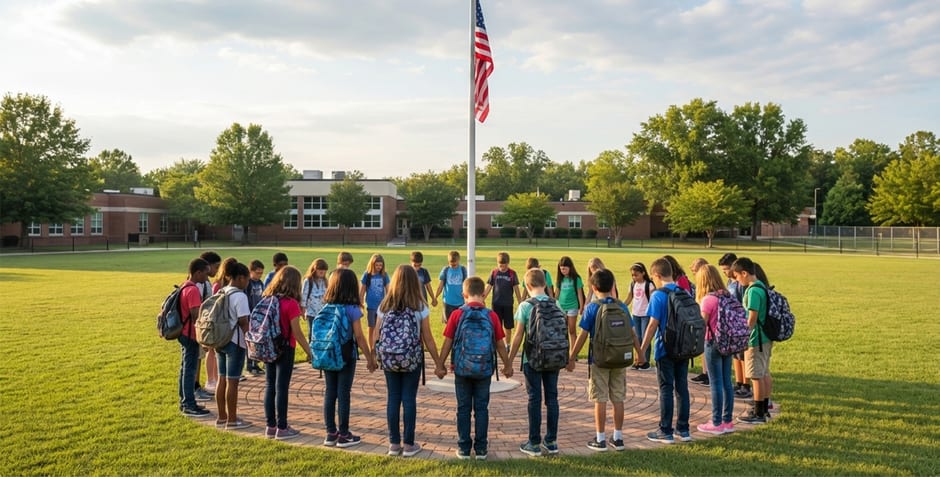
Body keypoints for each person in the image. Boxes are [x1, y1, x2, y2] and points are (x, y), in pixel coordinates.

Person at [373, 265, 445, 457]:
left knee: (393, 397)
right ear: (415, 282)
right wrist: (438, 363)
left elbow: (376, 332)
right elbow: (428, 337)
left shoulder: (384, 304)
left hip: (389, 357)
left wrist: (374, 355)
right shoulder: (420, 306)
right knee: (408, 398)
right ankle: (409, 444)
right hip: (411, 358)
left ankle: (394, 444)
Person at [439, 276, 513, 460]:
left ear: (464, 294)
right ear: (483, 294)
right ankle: (481, 448)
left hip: (462, 368)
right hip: (484, 368)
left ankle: (464, 448)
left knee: (463, 408)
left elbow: (448, 342)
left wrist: (440, 364)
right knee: (482, 408)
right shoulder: (492, 315)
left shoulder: (457, 314)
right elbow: (500, 344)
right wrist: (507, 365)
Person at [566, 268, 630, 451]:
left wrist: (572, 357)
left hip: (599, 360)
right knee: (618, 398)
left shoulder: (592, 308)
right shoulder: (622, 306)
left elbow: (582, 335)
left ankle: (600, 439)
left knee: (600, 399)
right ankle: (618, 438)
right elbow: (632, 333)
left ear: (593, 287)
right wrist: (640, 353)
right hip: (619, 358)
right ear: (612, 286)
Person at [637, 257, 692, 444]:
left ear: (657, 275)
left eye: (653, 277)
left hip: (665, 348)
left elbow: (652, 325)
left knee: (666, 388)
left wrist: (642, 350)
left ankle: (665, 430)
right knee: (682, 387)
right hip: (684, 347)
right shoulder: (684, 292)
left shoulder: (658, 295)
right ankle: (683, 429)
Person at [509, 269, 562, 457]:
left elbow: (517, 336)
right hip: (554, 358)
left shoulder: (525, 306)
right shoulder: (557, 304)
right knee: (552, 398)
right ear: (545, 284)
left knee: (534, 399)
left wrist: (509, 361)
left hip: (532, 359)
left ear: (527, 286)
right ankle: (552, 441)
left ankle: (533, 442)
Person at [322, 268, 377, 448]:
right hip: (346, 355)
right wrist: (370, 358)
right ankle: (344, 434)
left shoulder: (326, 306)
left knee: (330, 392)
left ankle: (330, 433)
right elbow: (359, 337)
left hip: (328, 354)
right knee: (343, 393)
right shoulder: (352, 309)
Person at [261, 266, 313, 440]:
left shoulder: (268, 298)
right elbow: (297, 332)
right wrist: (309, 351)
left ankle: (270, 425)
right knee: (281, 387)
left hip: (268, 346)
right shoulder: (291, 304)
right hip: (285, 348)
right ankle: (282, 427)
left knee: (270, 385)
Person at [695, 264, 735, 435]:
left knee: (715, 383)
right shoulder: (728, 296)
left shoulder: (708, 300)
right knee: (727, 381)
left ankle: (716, 422)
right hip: (728, 342)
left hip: (713, 342)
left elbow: (701, 324)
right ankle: (727, 420)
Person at [733, 257, 773, 425]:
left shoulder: (753, 291)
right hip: (764, 338)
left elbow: (752, 317)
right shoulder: (761, 286)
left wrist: (744, 335)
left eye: (736, 276)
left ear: (744, 273)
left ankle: (758, 413)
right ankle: (763, 408)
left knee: (755, 375)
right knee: (762, 372)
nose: (736, 280)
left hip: (756, 339)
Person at [214, 262, 252, 430]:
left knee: (221, 379)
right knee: (233, 381)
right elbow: (244, 321)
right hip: (235, 342)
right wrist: (250, 343)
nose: (248, 283)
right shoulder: (240, 296)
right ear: (241, 277)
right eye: (247, 279)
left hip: (220, 340)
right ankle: (233, 420)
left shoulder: (221, 291)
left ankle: (222, 416)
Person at [178, 257, 211, 417]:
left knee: (185, 368)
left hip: (183, 333)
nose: (207, 277)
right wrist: (202, 339)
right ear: (197, 273)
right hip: (190, 335)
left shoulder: (185, 285)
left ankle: (184, 401)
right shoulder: (193, 291)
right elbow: (196, 317)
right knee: (190, 370)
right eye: (205, 274)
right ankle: (189, 404)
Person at [718, 253, 749, 399]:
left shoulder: (740, 283)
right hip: (731, 324)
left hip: (740, 323)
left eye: (726, 269)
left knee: (743, 356)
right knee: (735, 355)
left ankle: (746, 385)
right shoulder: (730, 282)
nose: (724, 272)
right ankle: (739, 381)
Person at [196, 251, 222, 401]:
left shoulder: (204, 282)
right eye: (216, 266)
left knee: (199, 357)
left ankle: (198, 386)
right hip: (199, 327)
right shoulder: (202, 283)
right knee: (196, 358)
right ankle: (195, 387)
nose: (217, 270)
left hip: (201, 327)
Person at [483, 251, 523, 349]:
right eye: (500, 265)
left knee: (508, 326)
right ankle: (496, 344)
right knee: (496, 325)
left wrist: (520, 302)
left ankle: (507, 344)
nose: (502, 267)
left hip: (508, 304)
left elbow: (516, 288)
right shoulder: (494, 272)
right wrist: (482, 298)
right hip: (496, 304)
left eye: (504, 266)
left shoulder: (512, 273)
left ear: (508, 263)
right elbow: (489, 286)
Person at [625, 262, 654, 371]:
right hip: (635, 314)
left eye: (636, 275)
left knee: (645, 337)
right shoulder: (633, 284)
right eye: (632, 275)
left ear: (643, 273)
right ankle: (638, 360)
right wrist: (621, 306)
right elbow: (629, 298)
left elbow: (652, 301)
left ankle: (644, 361)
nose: (634, 277)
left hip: (645, 315)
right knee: (637, 338)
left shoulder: (649, 285)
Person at [554, 256, 585, 352]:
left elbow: (580, 294)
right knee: (561, 330)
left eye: (565, 268)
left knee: (571, 330)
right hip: (561, 307)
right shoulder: (560, 279)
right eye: (561, 269)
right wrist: (554, 305)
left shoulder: (576, 279)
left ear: (570, 268)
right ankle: (563, 351)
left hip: (572, 306)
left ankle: (573, 351)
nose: (563, 270)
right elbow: (557, 293)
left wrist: (581, 307)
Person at [688, 257, 709, 387]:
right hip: (701, 319)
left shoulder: (707, 286)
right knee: (703, 347)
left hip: (707, 321)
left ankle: (708, 374)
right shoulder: (699, 285)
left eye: (695, 271)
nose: (694, 274)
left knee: (707, 347)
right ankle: (704, 371)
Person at [360, 253, 390, 345]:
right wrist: (360, 302)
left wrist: (389, 303)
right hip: (371, 306)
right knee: (371, 327)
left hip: (381, 307)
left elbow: (389, 290)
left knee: (381, 327)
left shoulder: (384, 275)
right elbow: (362, 290)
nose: (379, 267)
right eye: (376, 265)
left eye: (380, 265)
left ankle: (379, 346)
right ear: (372, 264)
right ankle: (371, 347)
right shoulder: (367, 275)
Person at [244, 259, 266, 376]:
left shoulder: (260, 283)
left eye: (261, 273)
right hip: (249, 316)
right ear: (250, 271)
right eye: (257, 273)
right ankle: (250, 365)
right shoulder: (248, 284)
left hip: (258, 317)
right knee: (250, 341)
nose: (259, 275)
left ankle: (255, 363)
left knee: (257, 341)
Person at [435, 250, 468, 324]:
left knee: (460, 324)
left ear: (458, 260)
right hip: (448, 302)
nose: (452, 266)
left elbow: (466, 285)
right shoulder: (445, 270)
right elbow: (440, 285)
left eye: (455, 265)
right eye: (451, 264)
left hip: (461, 303)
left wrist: (468, 299)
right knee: (449, 325)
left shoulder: (463, 270)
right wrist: (435, 297)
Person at [302, 258, 329, 340]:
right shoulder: (308, 281)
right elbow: (304, 296)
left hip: (323, 312)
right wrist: (303, 311)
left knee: (323, 333)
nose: (322, 272)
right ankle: (311, 351)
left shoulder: (325, 281)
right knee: (312, 333)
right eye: (320, 270)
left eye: (324, 270)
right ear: (314, 269)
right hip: (311, 313)